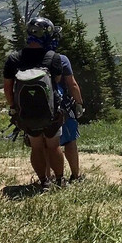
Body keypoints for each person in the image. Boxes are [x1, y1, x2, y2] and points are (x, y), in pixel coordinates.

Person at [3, 17, 67, 189]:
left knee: (36, 147)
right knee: (54, 146)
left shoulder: (14, 59)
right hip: (51, 112)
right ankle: (60, 180)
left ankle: (44, 181)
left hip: (26, 113)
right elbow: (57, 80)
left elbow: (8, 88)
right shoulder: (52, 57)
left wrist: (14, 108)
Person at [48, 29, 86, 182]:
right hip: (63, 107)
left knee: (47, 145)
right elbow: (72, 84)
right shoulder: (61, 59)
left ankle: (48, 179)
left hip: (41, 110)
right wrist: (78, 103)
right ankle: (75, 176)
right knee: (70, 141)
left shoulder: (31, 61)